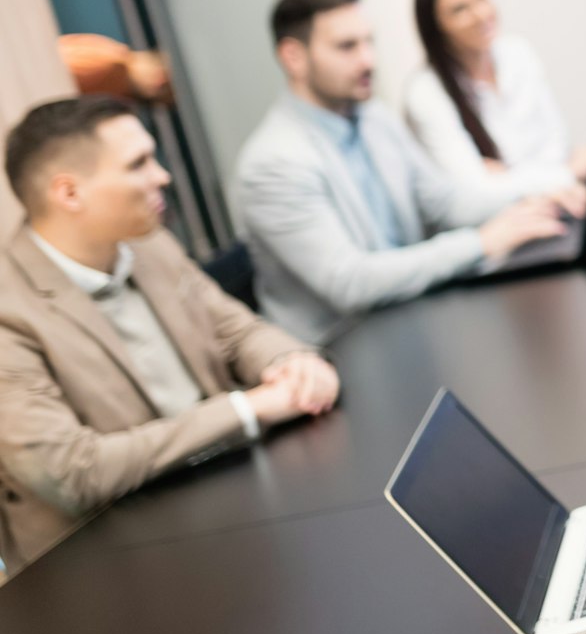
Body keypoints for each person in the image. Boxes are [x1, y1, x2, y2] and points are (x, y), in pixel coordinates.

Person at [0, 96, 338, 576]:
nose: (162, 176)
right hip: (103, 568)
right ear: (69, 193)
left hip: (223, 504)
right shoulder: (8, 311)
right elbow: (71, 473)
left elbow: (234, 329)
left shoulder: (148, 241)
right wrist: (246, 408)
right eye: (138, 164)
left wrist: (289, 361)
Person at [234, 0, 569, 344]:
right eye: (347, 47)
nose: (368, 60)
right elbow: (350, 283)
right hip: (343, 350)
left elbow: (444, 203)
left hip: (409, 317)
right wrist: (481, 243)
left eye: (369, 42)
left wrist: (540, 192)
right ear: (293, 57)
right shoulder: (272, 164)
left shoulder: (374, 117)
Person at [405, 0, 586, 198]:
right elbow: (474, 191)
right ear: (436, 27)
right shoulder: (425, 93)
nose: (481, 14)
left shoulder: (518, 53)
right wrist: (568, 173)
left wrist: (509, 178)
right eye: (460, 9)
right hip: (514, 218)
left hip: (561, 198)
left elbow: (556, 142)